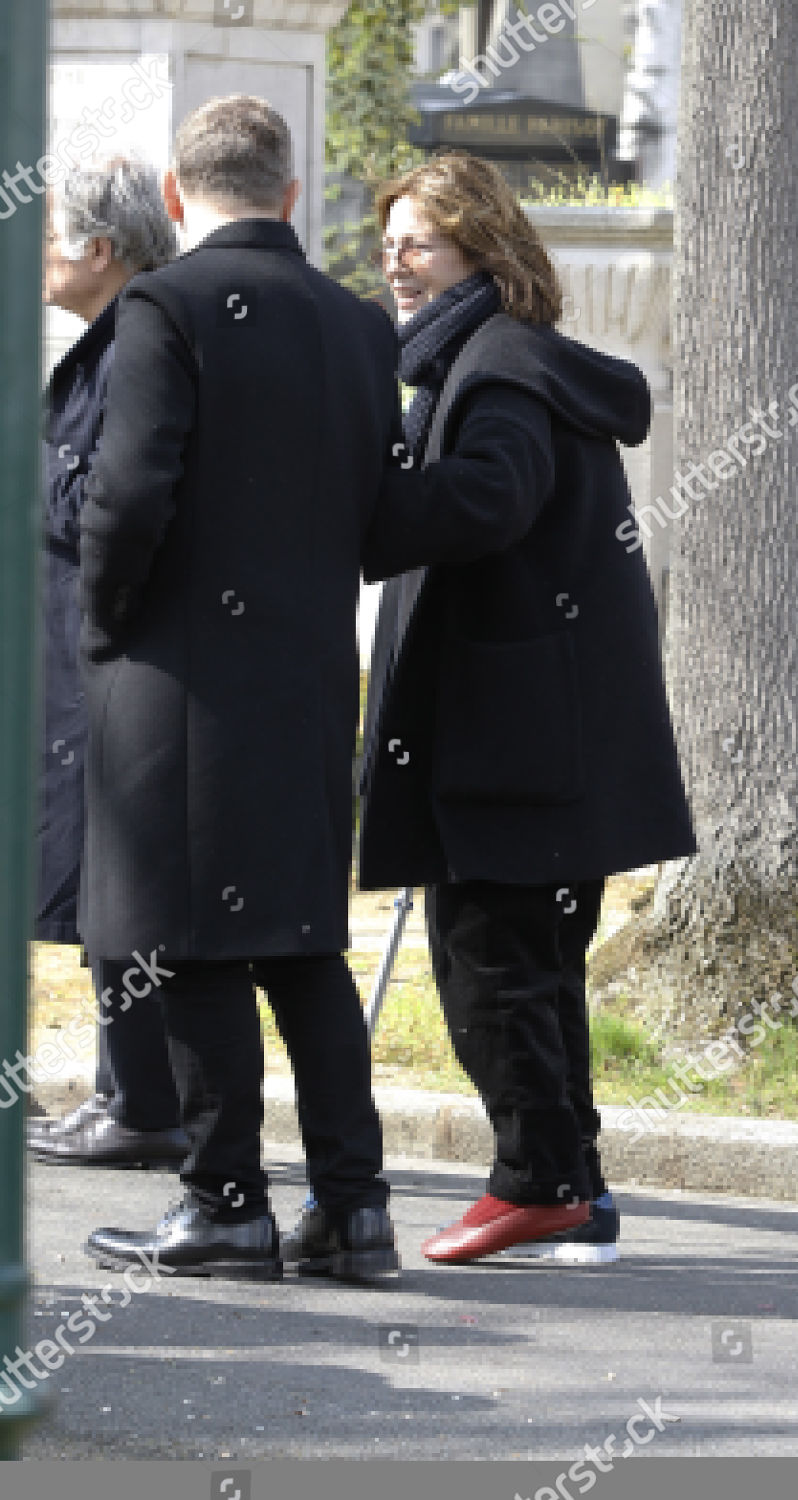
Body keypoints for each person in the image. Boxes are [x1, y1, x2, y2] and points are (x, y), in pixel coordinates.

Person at [79, 96, 401, 1283]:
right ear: (292, 194)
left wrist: (105, 626)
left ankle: (224, 1204)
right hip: (310, 674)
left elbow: (128, 494)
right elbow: (381, 511)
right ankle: (354, 1210)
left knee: (188, 948)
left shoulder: (165, 303)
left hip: (181, 677)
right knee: (302, 944)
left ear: (175, 195)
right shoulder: (362, 325)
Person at [360, 152, 696, 1265]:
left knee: (488, 967)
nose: (395, 263)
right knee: (531, 968)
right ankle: (576, 1192)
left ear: (480, 252)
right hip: (540, 736)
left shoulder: (495, 370)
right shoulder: (499, 360)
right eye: (390, 240)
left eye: (419, 242)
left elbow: (490, 498)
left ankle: (536, 1183)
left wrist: (366, 500)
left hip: (516, 742)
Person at [31, 160, 187, 1169]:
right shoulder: (119, 340)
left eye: (47, 234)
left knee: (118, 883)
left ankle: (143, 1100)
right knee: (102, 884)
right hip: (91, 656)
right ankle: (125, 1088)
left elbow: (104, 506)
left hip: (112, 656)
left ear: (98, 249)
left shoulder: (137, 346)